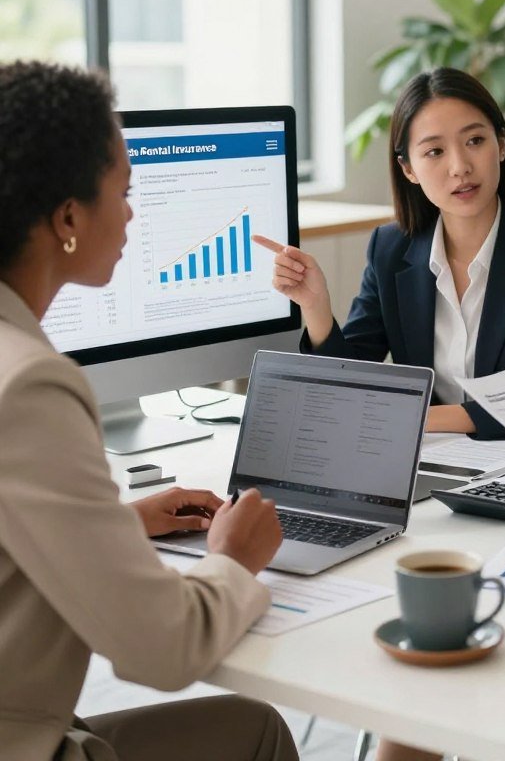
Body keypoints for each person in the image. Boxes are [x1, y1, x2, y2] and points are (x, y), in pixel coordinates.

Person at [0, 60, 297, 761]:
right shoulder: (31, 387)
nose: (133, 212)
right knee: (255, 730)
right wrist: (232, 558)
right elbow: (164, 652)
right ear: (69, 217)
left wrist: (119, 524)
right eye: (125, 191)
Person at [256, 67, 505, 440]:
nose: (459, 167)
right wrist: (316, 306)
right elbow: (347, 381)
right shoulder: (391, 249)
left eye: (475, 141)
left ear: (501, 145)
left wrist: (412, 417)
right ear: (408, 169)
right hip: (433, 458)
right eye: (434, 151)